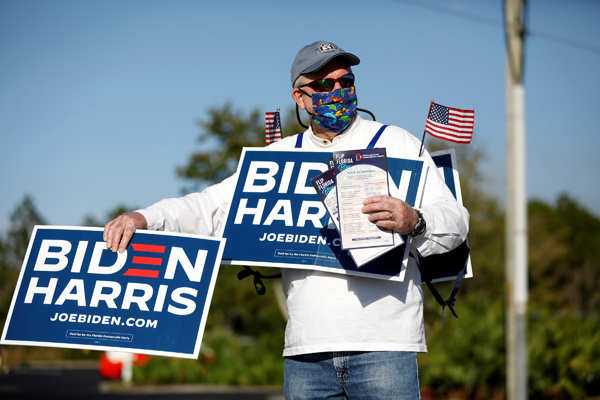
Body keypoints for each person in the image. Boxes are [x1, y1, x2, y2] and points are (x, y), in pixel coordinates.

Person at [104, 40, 469, 399]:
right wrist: (144, 217)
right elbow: (210, 207)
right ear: (300, 97)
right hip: (305, 354)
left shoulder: (399, 143)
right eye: (324, 85)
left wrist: (415, 221)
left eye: (346, 81)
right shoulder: (277, 158)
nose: (337, 90)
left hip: (385, 347)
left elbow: (455, 221)